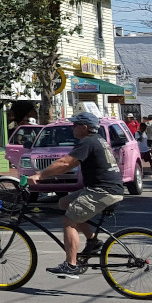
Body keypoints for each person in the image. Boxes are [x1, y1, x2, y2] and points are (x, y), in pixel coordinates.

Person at [27, 111, 124, 278]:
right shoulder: (97, 140)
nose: (72, 128)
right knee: (64, 203)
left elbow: (65, 162)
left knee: (69, 220)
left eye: (75, 125)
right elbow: (66, 166)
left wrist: (39, 175)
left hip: (102, 191)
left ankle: (71, 265)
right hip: (103, 188)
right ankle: (92, 241)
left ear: (84, 128)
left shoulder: (87, 142)